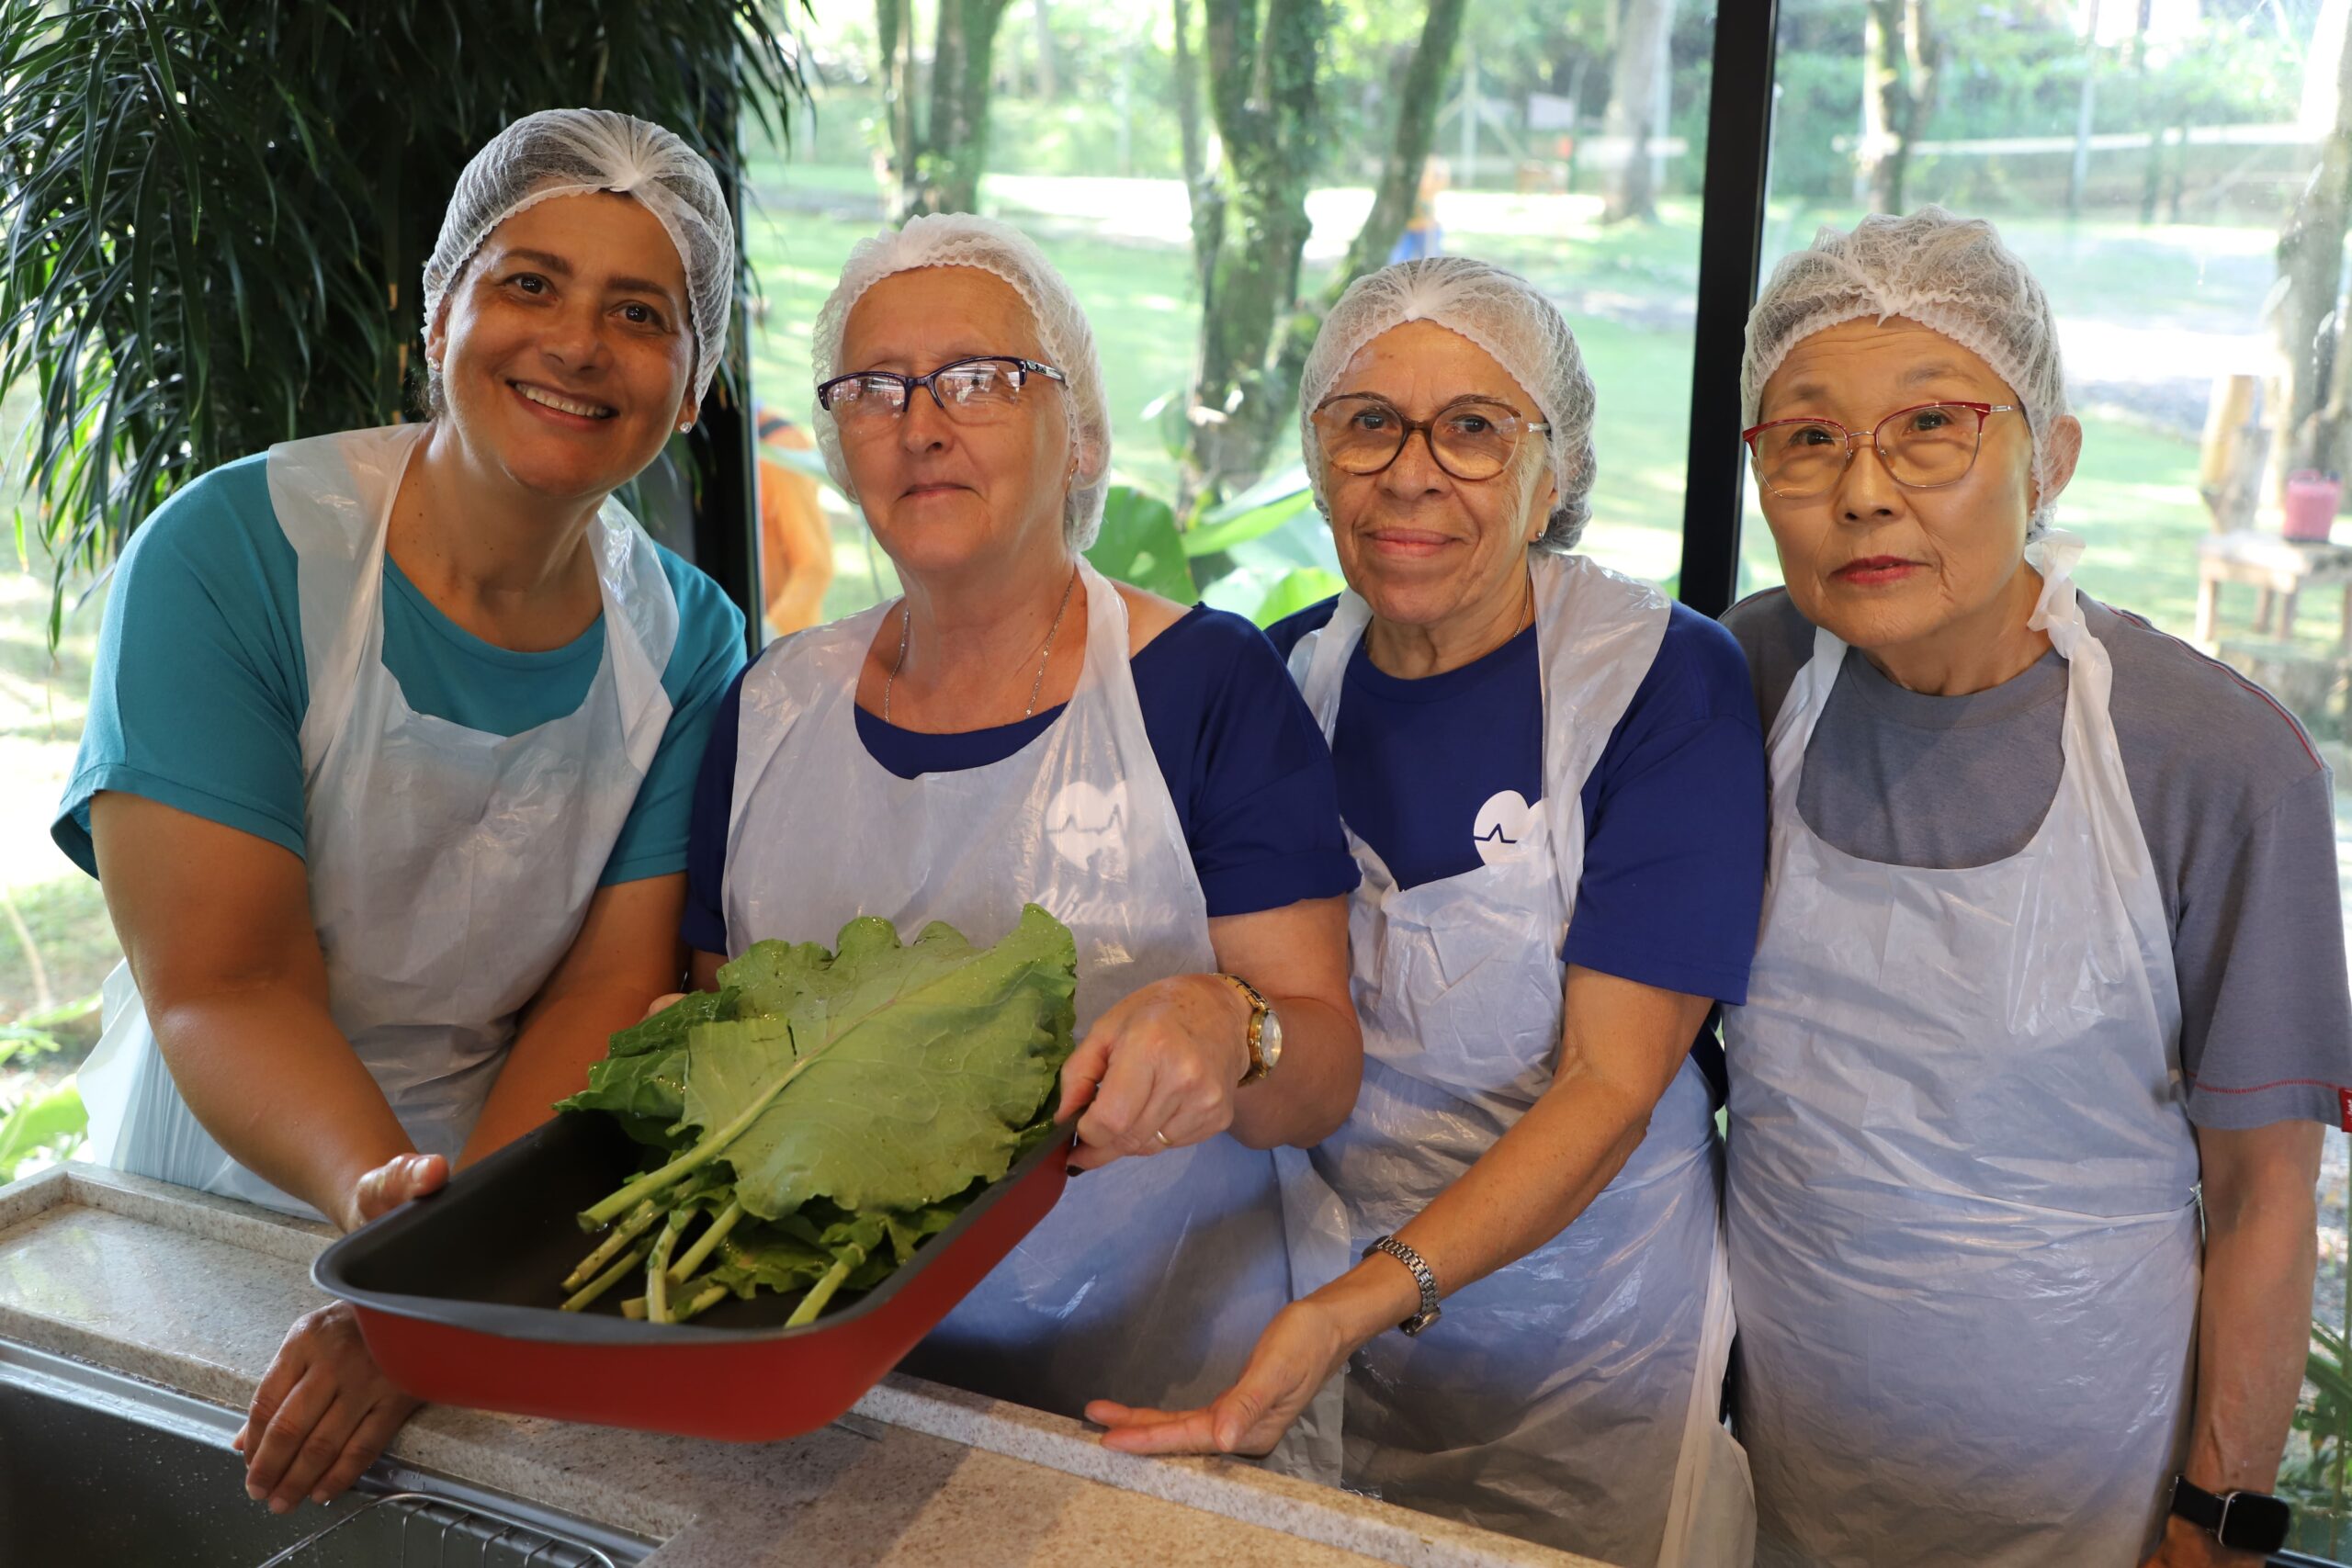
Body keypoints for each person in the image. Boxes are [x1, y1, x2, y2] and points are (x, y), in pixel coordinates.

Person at [57, 110, 748, 1513]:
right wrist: (396, 1242)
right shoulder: (233, 556)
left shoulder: (690, 643)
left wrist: (449, 1278)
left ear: (692, 388)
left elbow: (607, 993)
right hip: (212, 1200)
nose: (578, 344)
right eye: (530, 283)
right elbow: (226, 982)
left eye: (641, 313)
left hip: (498, 1207)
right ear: (440, 315)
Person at [1091, 256, 1767, 1568]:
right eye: (1368, 423)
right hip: (1317, 1321)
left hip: (1588, 1343)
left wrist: (1356, 1305)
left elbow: (1610, 1086)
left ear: (1554, 475)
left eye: (1473, 429)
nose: (1411, 473)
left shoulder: (1656, 681)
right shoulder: (1282, 681)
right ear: (1318, 457)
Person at [1721, 207, 2348, 1568]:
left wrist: (2217, 1519)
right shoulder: (1736, 684)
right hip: (1774, 1463)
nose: (1864, 492)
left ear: (2049, 455)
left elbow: (2263, 1198)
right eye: (1809, 437)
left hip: (2090, 1481)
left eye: (1930, 426)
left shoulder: (2215, 762)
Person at [681, 214, 1364, 1448]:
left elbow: (1320, 1076)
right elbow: (721, 1032)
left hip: (1145, 1402)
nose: (921, 424)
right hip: (826, 1390)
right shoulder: (771, 709)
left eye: (981, 379)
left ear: (1081, 431)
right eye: (874, 387)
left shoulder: (1202, 687)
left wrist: (1236, 1027)